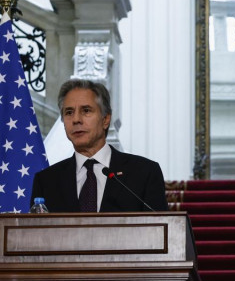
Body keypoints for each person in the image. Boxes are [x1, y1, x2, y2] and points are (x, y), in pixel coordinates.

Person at [30, 79, 167, 212]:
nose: (76, 119)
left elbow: (162, 230)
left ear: (106, 119)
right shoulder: (46, 181)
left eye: (86, 110)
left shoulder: (144, 173)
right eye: (69, 112)